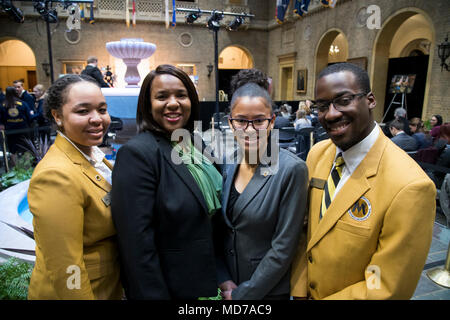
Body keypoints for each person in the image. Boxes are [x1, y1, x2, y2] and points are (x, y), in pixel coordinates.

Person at [290, 62, 436, 300]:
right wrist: (299, 290)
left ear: (370, 100)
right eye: (322, 106)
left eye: (344, 100)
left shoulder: (410, 186)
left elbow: (386, 286)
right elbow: (305, 233)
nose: (332, 113)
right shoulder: (317, 154)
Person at [111, 64, 220, 299]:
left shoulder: (196, 144)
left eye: (181, 95)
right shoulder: (137, 154)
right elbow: (136, 245)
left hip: (212, 281)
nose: (173, 103)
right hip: (172, 290)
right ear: (148, 105)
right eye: (162, 97)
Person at [27, 74, 123, 300]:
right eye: (83, 111)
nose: (97, 119)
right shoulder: (55, 176)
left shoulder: (92, 156)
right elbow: (66, 267)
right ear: (57, 116)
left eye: (102, 109)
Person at [216, 82, 308, 300]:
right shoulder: (228, 163)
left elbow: (284, 248)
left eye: (258, 121)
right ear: (230, 122)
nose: (249, 129)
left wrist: (242, 294)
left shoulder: (291, 170)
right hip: (228, 285)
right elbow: (222, 230)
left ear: (272, 121)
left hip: (267, 292)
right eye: (241, 121)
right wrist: (223, 278)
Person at [0, 86, 33, 157]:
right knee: (26, 149)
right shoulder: (23, 104)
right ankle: (26, 167)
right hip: (23, 130)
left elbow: (1, 119)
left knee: (13, 151)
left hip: (10, 132)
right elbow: (29, 117)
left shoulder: (3, 105)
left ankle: (16, 167)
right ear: (16, 93)